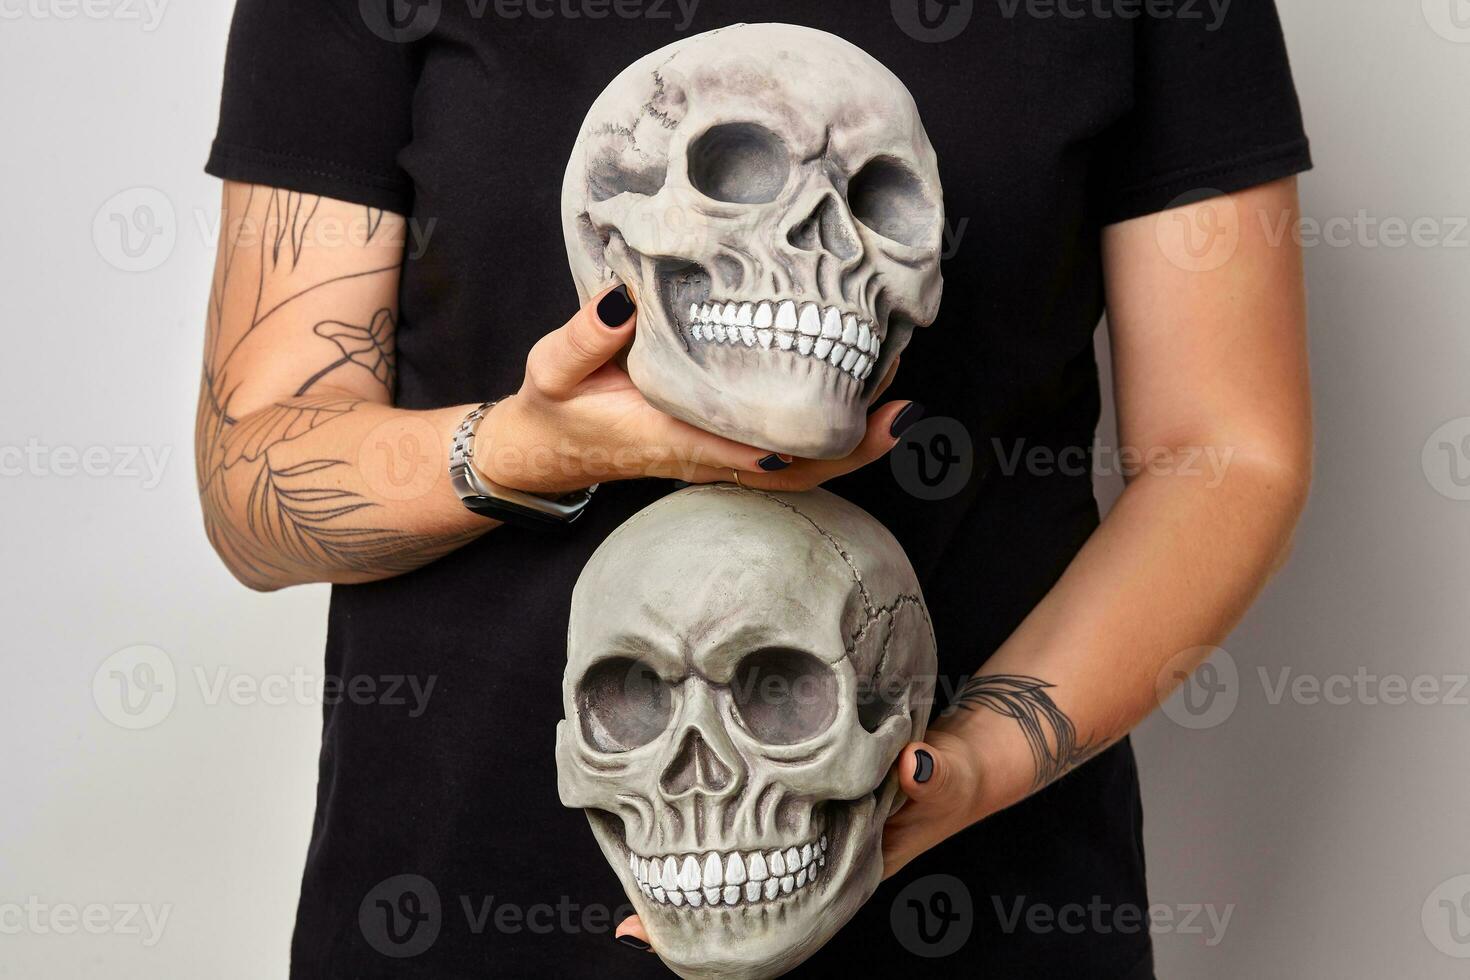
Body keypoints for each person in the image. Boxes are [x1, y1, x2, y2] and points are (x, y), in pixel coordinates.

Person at [197, 2, 1312, 976]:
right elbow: (254, 483)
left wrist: (974, 760)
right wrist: (533, 450)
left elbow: (1225, 455)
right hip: (459, 903)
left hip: (988, 897)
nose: (816, 245)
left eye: (873, 208)